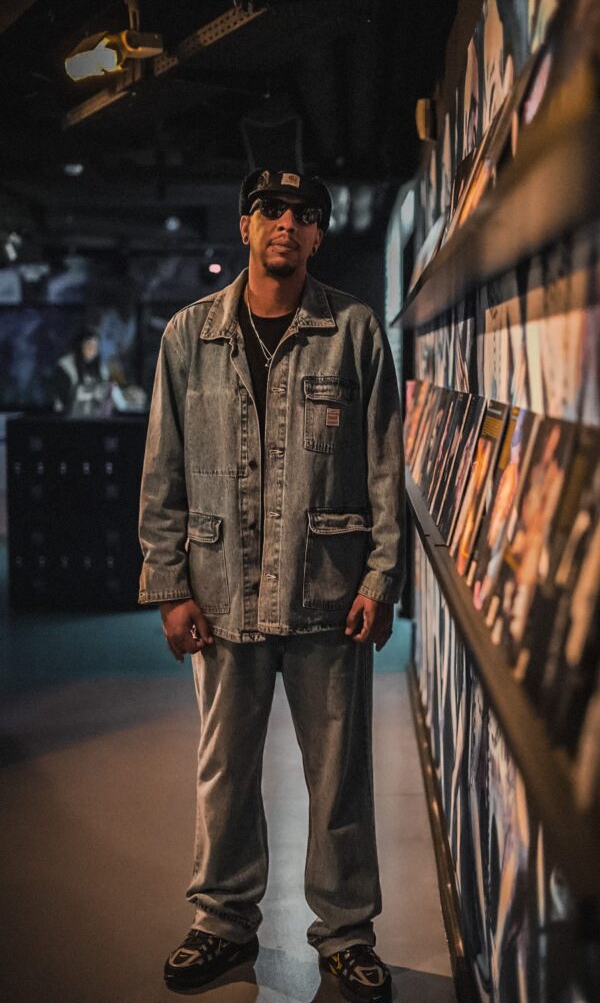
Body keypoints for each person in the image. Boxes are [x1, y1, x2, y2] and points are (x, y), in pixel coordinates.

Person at [138, 168, 406, 1000]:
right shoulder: (189, 336)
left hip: (328, 593)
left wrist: (381, 577)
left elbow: (386, 465)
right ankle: (222, 924)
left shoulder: (353, 329)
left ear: (318, 235)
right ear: (246, 228)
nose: (286, 222)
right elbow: (163, 469)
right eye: (270, 210)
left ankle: (345, 936)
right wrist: (168, 585)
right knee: (224, 770)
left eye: (303, 214)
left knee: (338, 777)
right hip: (222, 594)